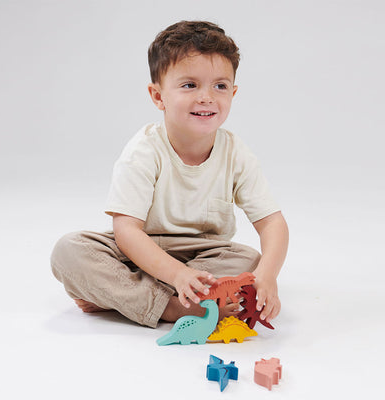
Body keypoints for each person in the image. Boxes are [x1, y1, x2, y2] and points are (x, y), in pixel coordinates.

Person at [51, 20, 289, 329]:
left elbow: (272, 223)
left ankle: (125, 295)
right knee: (69, 251)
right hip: (140, 247)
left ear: (233, 92)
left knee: (249, 259)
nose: (207, 97)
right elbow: (126, 231)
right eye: (190, 85)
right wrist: (177, 274)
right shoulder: (144, 150)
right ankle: (170, 307)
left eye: (220, 86)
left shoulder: (236, 152)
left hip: (205, 254)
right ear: (158, 96)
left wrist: (267, 276)